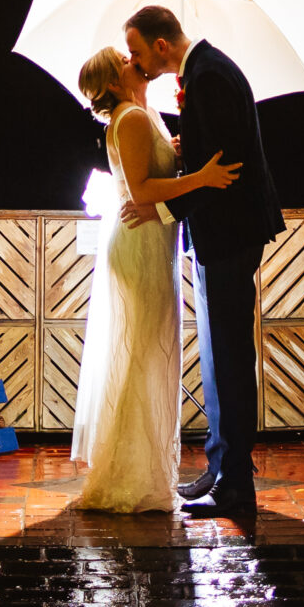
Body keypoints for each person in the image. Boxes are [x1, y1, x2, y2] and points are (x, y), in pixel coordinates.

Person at [120, 4, 284, 514]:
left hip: (230, 233)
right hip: (224, 233)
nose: (137, 61)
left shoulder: (209, 76)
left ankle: (236, 484)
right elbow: (215, 151)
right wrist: (187, 148)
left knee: (230, 358)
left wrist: (161, 209)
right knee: (217, 357)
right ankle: (220, 468)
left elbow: (225, 170)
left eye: (138, 51)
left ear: (161, 46)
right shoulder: (207, 70)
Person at [68, 45, 241, 512]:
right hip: (141, 245)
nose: (133, 60)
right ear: (112, 81)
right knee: (142, 354)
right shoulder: (134, 119)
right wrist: (203, 177)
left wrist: (177, 153)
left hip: (146, 243)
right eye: (122, 60)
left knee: (142, 353)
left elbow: (149, 170)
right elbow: (142, 191)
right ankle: (131, 475)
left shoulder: (139, 117)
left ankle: (137, 470)